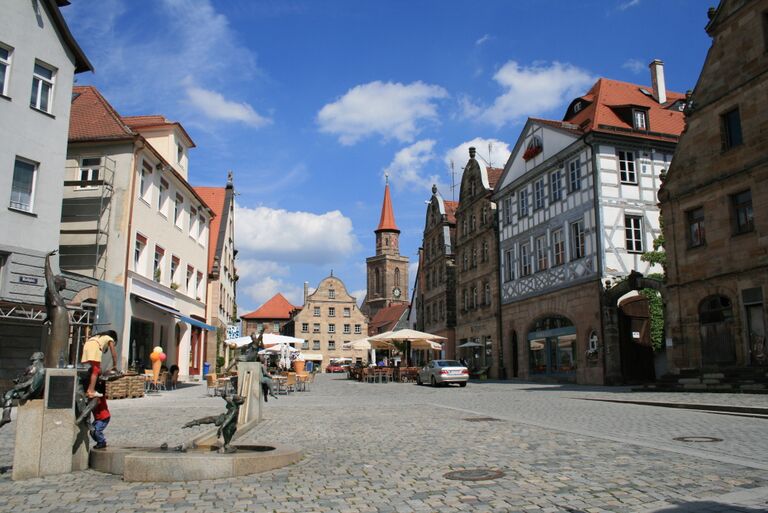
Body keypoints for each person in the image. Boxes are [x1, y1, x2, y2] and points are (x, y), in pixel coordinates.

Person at [81, 330, 118, 398]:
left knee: (96, 369)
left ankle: (89, 390)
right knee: (96, 370)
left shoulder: (98, 336)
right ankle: (91, 391)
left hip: (87, 345)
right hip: (94, 347)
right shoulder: (110, 338)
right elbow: (113, 353)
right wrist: (115, 365)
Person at [90, 378, 110, 449]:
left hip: (104, 418)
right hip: (98, 419)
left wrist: (103, 381)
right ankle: (100, 441)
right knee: (92, 430)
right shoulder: (91, 399)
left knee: (97, 431)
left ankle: (102, 442)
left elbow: (102, 389)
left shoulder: (101, 396)